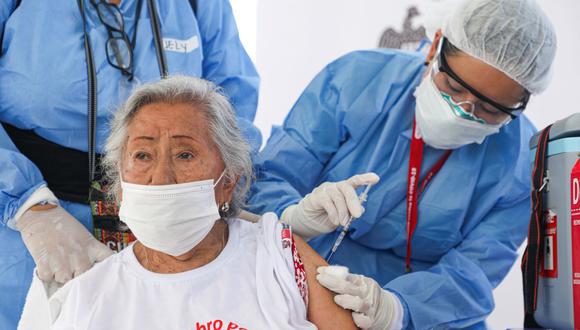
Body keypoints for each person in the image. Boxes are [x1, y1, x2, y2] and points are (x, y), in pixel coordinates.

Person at [247, 0, 557, 328]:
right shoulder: (358, 80)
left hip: (428, 313)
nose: (463, 112)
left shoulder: (523, 160)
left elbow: (473, 273)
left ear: (520, 106)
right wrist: (293, 217)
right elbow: (269, 176)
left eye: (490, 110)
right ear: (434, 46)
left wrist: (398, 310)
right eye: (453, 88)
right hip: (307, 271)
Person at [0, 0, 259, 328]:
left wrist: (227, 196)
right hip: (30, 217)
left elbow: (231, 112)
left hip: (166, 213)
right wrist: (29, 208)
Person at [41, 76, 356, 329]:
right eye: (142, 155)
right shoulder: (88, 299)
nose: (161, 176)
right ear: (119, 182)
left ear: (229, 180)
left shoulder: (281, 258)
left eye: (185, 154)